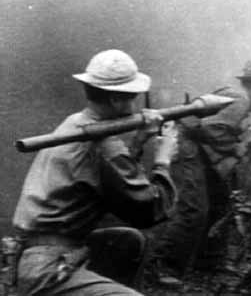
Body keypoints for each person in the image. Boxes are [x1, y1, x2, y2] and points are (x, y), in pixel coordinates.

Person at [12, 49, 178, 296]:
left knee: (129, 241)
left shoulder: (77, 123)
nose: (135, 106)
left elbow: (110, 179)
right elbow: (148, 210)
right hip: (46, 269)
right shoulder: (101, 143)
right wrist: (163, 159)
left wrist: (138, 143)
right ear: (115, 100)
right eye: (132, 98)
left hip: (39, 251)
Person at [149, 58, 251, 286]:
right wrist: (236, 146)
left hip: (196, 148)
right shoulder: (240, 101)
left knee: (219, 201)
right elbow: (209, 130)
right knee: (194, 208)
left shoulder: (240, 101)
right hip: (186, 146)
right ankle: (164, 266)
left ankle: (208, 261)